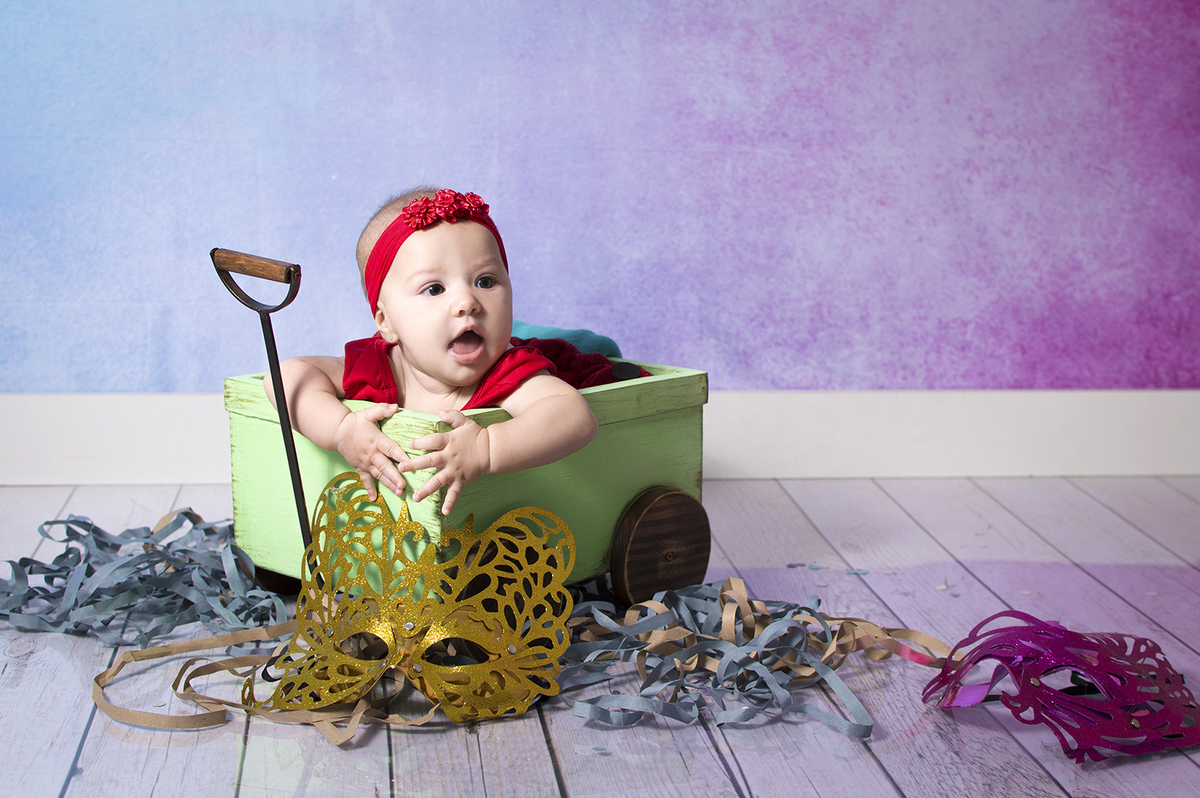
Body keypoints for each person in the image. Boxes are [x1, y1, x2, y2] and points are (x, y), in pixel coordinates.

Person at [265, 187, 606, 516]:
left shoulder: (508, 371)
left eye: (485, 281)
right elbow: (283, 379)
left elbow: (574, 417)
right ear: (386, 322)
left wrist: (487, 448)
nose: (467, 302)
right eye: (434, 289)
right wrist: (340, 431)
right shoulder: (379, 365)